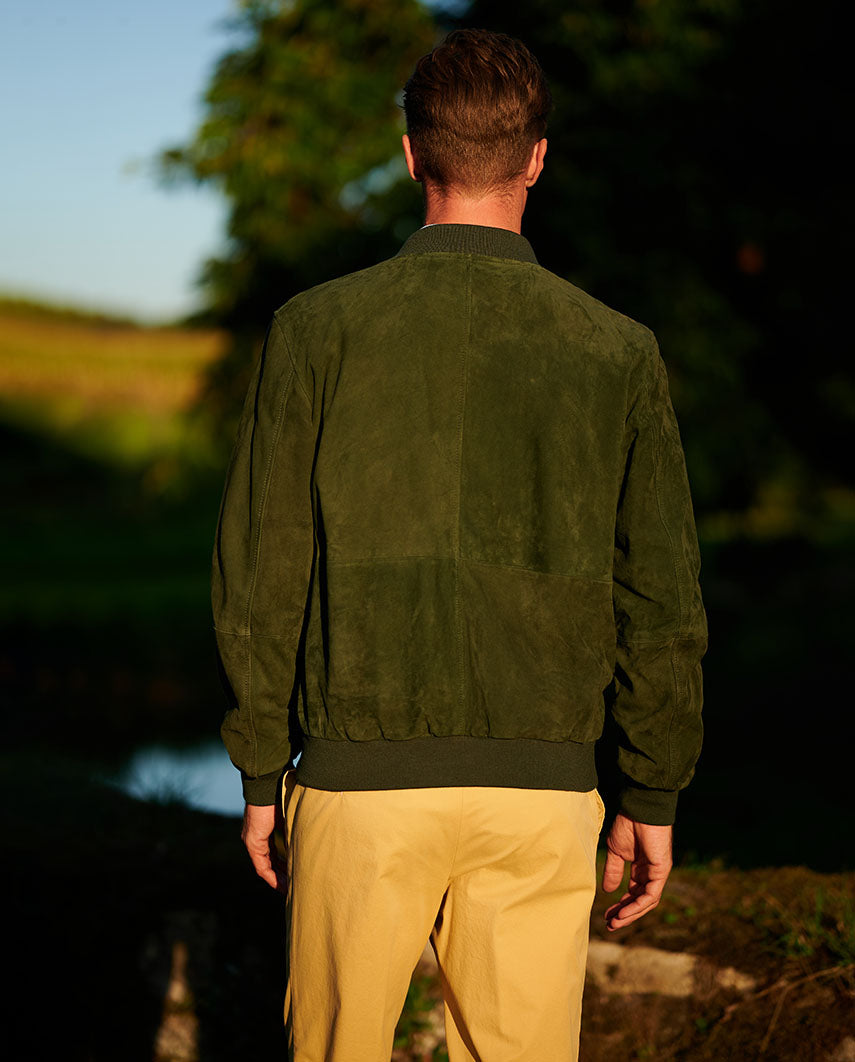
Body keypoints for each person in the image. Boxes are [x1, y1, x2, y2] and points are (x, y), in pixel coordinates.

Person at [212, 27, 706, 1062]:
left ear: (409, 154)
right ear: (535, 158)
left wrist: (260, 773)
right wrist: (651, 788)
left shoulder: (316, 328)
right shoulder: (618, 350)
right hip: (544, 792)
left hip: (356, 788)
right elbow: (660, 598)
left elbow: (262, 568)